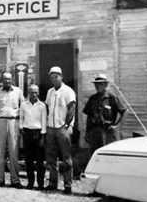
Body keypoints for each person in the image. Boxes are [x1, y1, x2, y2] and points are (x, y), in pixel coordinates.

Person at [45, 66, 76, 194]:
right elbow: (47, 108)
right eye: (52, 77)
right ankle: (53, 183)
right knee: (51, 157)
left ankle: (68, 184)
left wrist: (66, 125)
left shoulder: (68, 91)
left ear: (61, 77)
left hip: (63, 128)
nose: (54, 79)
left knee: (66, 157)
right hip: (51, 128)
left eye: (56, 76)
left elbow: (72, 108)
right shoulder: (50, 92)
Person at [0, 72, 25, 189]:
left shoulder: (18, 91)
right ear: (2, 80)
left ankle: (15, 180)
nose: (7, 81)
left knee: (14, 151)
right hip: (0, 121)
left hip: (13, 122)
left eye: (9, 79)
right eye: (5, 79)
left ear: (12, 79)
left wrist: (19, 123)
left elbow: (23, 106)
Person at [83, 73, 127, 157]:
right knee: (94, 155)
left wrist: (116, 125)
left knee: (107, 154)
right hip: (94, 131)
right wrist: (87, 132)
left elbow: (125, 111)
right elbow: (89, 116)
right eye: (96, 84)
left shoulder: (112, 98)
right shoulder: (92, 99)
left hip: (107, 132)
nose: (98, 86)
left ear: (105, 85)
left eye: (101, 84)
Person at [19, 84, 47, 191]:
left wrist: (43, 136)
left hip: (39, 133)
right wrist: (21, 129)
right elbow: (21, 118)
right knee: (28, 160)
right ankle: (30, 183)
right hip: (27, 133)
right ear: (28, 93)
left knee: (40, 161)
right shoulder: (23, 105)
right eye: (32, 92)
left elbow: (44, 121)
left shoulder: (42, 105)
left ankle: (40, 183)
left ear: (38, 93)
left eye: (36, 92)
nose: (34, 94)